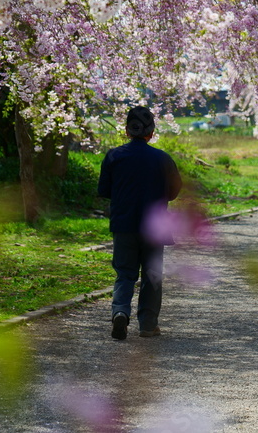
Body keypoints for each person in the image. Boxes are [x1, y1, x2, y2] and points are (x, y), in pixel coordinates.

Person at [98, 106, 182, 340]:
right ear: (151, 133)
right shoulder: (162, 159)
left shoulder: (114, 156)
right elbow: (174, 191)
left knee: (125, 274)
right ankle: (147, 324)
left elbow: (104, 190)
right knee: (152, 275)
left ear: (127, 131)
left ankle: (120, 312)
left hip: (123, 225)